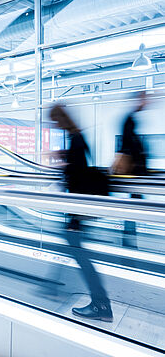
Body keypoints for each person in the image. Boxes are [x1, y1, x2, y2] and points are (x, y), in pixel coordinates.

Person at [50, 104, 113, 322]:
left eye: (55, 121)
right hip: (76, 209)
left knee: (83, 258)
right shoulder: (77, 136)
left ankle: (101, 305)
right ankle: (52, 286)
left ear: (61, 119)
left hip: (77, 210)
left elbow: (78, 174)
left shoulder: (75, 138)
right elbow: (80, 168)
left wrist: (61, 160)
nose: (54, 125)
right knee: (76, 251)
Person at [114, 91, 149, 248]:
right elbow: (128, 145)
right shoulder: (129, 119)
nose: (146, 102)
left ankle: (130, 232)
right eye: (143, 99)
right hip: (135, 170)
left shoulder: (130, 119)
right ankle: (129, 233)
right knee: (134, 201)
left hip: (136, 169)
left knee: (135, 200)